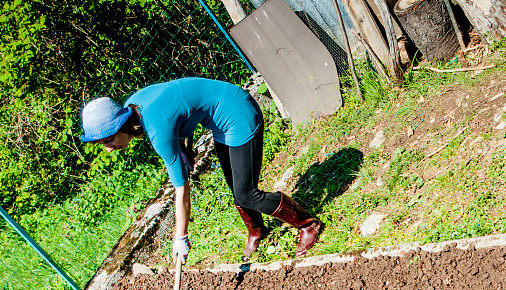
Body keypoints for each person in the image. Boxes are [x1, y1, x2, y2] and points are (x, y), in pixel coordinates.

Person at [79, 77, 323, 265]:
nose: (109, 149)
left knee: (246, 193)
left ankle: (307, 224)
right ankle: (257, 231)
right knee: (237, 189)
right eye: (103, 144)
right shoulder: (136, 106)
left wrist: (180, 237)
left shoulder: (156, 129)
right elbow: (183, 109)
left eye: (109, 140)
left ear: (121, 124)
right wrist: (186, 148)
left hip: (237, 113)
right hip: (219, 118)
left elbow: (181, 188)